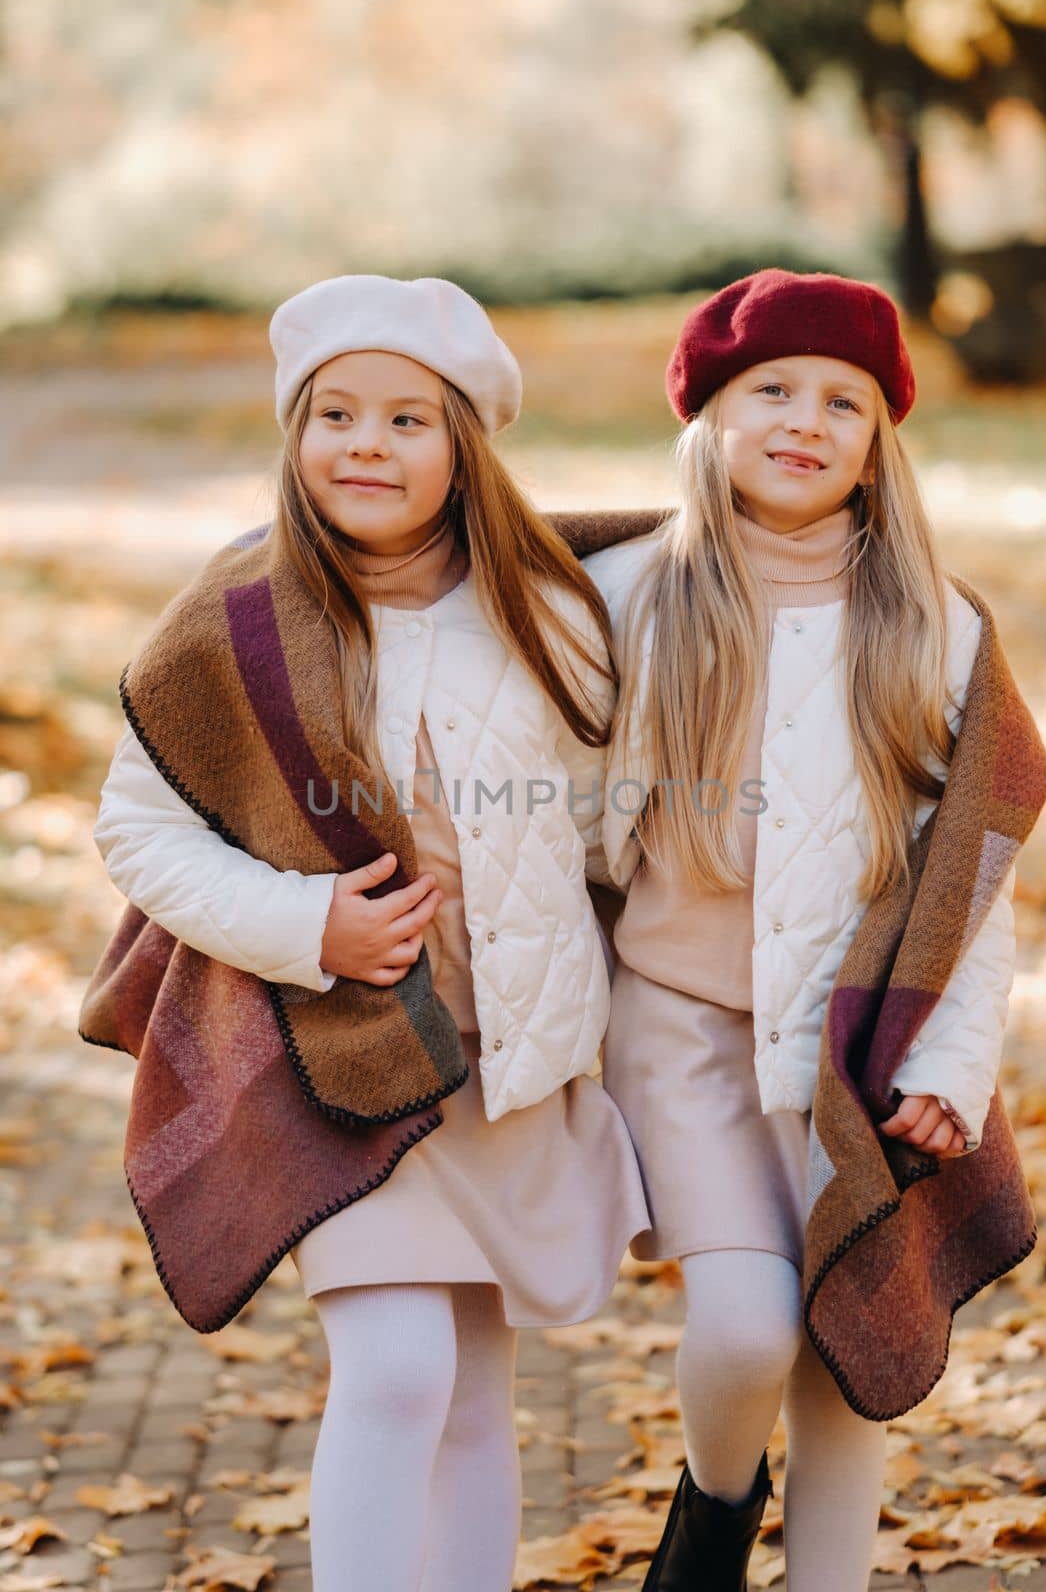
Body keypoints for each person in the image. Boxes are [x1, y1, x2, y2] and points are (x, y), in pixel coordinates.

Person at [88, 274, 650, 1592]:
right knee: (397, 1372)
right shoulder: (238, 618)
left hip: (505, 1065)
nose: (365, 446)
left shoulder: (557, 608)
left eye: (407, 420)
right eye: (334, 413)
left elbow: (617, 823)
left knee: (469, 1392)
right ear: (294, 436)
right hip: (343, 1054)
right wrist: (307, 923)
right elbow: (139, 832)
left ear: (465, 444)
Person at [583, 268, 1041, 1592]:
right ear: (708, 419)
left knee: (848, 1357)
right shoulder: (621, 600)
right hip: (676, 1029)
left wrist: (952, 1067)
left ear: (879, 441)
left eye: (845, 400)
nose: (806, 419)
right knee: (741, 1330)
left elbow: (974, 882)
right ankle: (714, 1517)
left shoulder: (938, 634)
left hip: (854, 1048)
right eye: (770, 390)